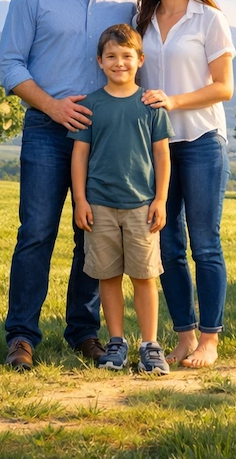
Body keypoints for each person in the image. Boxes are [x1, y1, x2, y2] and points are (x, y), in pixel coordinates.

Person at [0, 0, 135, 371]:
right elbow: (9, 65)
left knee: (92, 233)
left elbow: (134, 62)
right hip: (46, 129)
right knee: (36, 232)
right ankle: (21, 336)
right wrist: (52, 106)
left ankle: (83, 332)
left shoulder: (126, 4)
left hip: (104, 138)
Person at [136, 0, 235, 368]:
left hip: (200, 141)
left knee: (205, 244)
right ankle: (184, 336)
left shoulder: (209, 19)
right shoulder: (141, 18)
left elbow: (224, 87)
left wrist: (173, 101)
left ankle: (209, 340)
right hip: (156, 147)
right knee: (168, 245)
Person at [70, 24, 174, 374]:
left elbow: (162, 155)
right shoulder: (90, 105)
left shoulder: (151, 105)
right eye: (111, 56)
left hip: (142, 206)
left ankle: (150, 345)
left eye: (126, 56)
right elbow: (80, 156)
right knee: (108, 276)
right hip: (99, 206)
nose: (119, 63)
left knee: (145, 276)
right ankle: (116, 342)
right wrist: (80, 201)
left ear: (140, 60)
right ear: (99, 61)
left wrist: (160, 200)